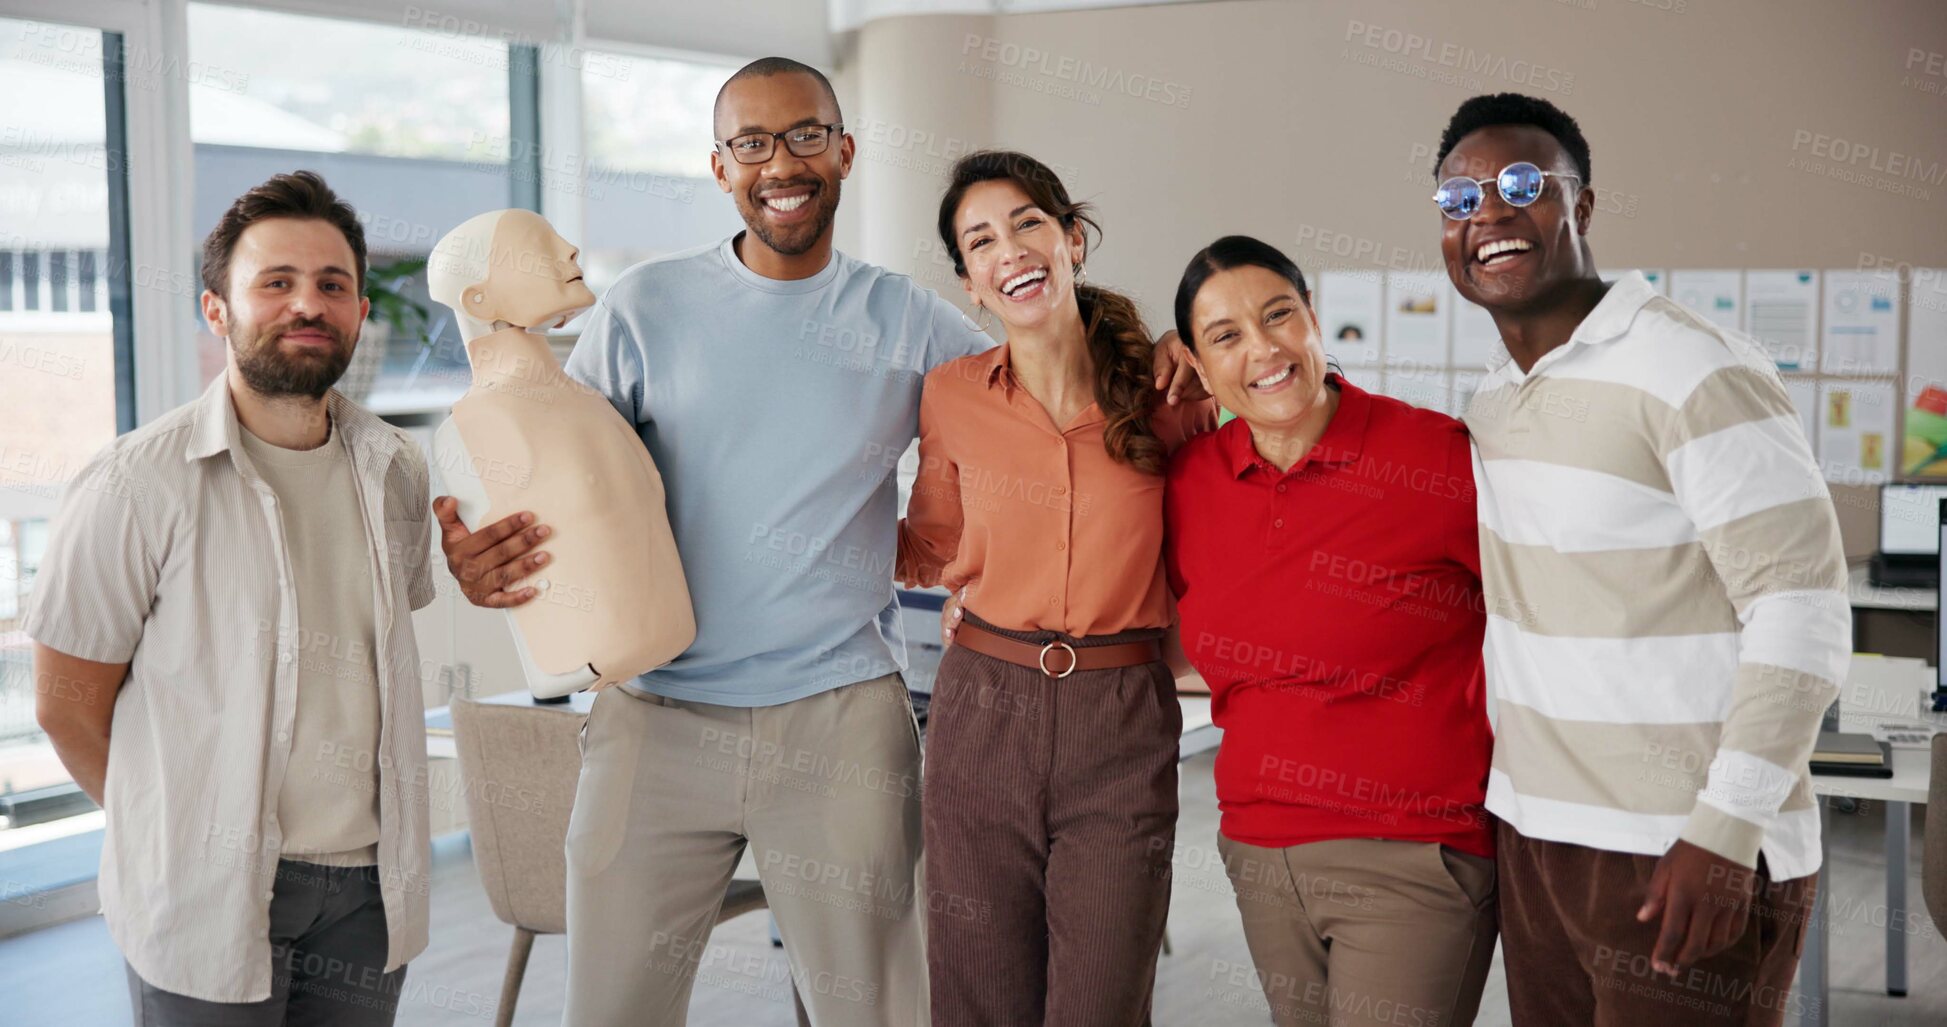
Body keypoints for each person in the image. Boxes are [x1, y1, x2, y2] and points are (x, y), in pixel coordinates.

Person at [431, 60, 1202, 1026]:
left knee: (874, 1011)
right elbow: (564, 499)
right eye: (750, 143)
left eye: (803, 135)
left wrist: (1169, 348)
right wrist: (483, 562)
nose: (779, 162)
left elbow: (1042, 373)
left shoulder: (910, 323)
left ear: (844, 151)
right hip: (654, 719)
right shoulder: (641, 311)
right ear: (719, 168)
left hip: (839, 719)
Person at [1431, 93, 1848, 1025]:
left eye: (1521, 185)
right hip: (1537, 836)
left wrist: (1726, 827)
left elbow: (1801, 605)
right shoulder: (1494, 398)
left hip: (1679, 842)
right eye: (1458, 201)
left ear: (1579, 206)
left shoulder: (1691, 368)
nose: (1487, 214)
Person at [28, 171, 437, 1025]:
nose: (307, 305)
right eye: (275, 282)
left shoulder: (396, 467)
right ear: (217, 309)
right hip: (204, 889)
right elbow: (68, 704)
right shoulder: (135, 481)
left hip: (370, 890)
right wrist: (177, 832)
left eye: (332, 285)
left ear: (360, 311)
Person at [896, 150, 1217, 1026]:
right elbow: (930, 542)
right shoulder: (951, 395)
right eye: (981, 240)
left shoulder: (1172, 395)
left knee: (1103, 1000)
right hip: (979, 710)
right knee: (975, 995)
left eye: (1027, 223)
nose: (1009, 249)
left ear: (1071, 239)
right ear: (968, 282)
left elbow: (1224, 543)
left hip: (1122, 715)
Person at [1164, 235, 1498, 1027]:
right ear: (1197, 365)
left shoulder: (1435, 459)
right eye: (1227, 336)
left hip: (1413, 851)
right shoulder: (1187, 483)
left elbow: (1551, 616)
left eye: (1279, 315)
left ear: (1313, 320)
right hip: (1256, 849)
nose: (1264, 348)